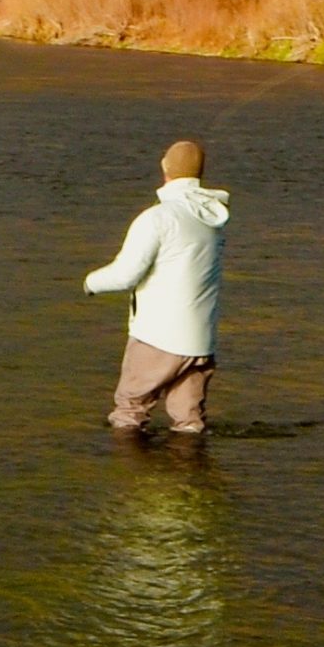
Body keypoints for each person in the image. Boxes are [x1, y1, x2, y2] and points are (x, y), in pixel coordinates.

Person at [84, 140, 230, 434]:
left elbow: (126, 274)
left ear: (165, 172)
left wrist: (90, 283)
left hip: (158, 335)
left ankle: (130, 476)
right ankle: (190, 476)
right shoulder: (214, 219)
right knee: (189, 422)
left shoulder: (156, 218)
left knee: (129, 412)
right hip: (201, 339)